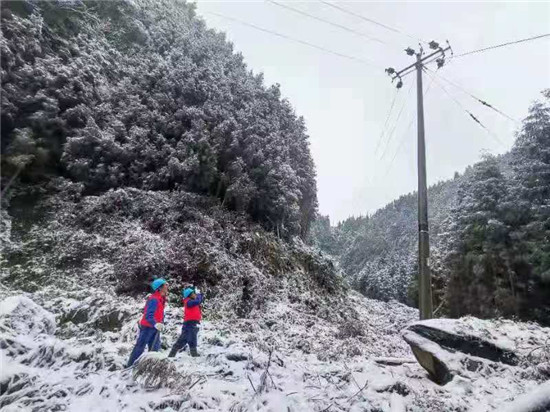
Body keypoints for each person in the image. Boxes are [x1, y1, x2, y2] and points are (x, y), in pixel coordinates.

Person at [126, 278, 167, 367]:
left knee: (154, 349)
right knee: (140, 347)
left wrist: (161, 322)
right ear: (159, 288)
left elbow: (159, 313)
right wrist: (155, 323)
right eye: (165, 285)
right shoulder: (154, 299)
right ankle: (130, 366)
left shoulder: (161, 298)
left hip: (155, 327)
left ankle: (150, 366)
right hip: (148, 327)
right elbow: (149, 315)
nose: (167, 286)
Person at [168, 287, 203, 358]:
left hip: (193, 322)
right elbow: (197, 301)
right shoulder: (188, 301)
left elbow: (198, 302)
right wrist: (199, 295)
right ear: (189, 295)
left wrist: (200, 295)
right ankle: (171, 355)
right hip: (188, 323)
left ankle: (194, 354)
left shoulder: (191, 300)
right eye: (193, 293)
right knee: (183, 339)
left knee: (193, 338)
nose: (194, 294)